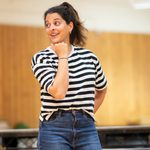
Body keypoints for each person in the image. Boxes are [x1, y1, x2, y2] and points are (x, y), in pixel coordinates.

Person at [31, 2, 107, 150]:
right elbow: (59, 92)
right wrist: (63, 56)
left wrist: (87, 114)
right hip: (54, 129)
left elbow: (102, 89)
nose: (51, 28)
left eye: (56, 23)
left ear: (70, 26)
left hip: (87, 128)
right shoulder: (41, 58)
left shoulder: (90, 57)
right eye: (47, 24)